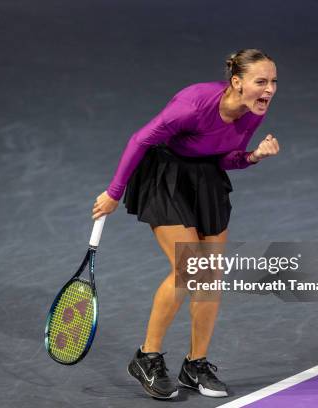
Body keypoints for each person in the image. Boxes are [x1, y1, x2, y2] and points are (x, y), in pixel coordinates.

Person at [91, 48, 280, 399]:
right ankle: (146, 357)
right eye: (261, 82)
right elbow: (140, 139)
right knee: (191, 268)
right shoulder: (193, 104)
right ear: (236, 82)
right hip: (165, 174)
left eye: (273, 82)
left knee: (211, 274)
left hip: (205, 177)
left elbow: (225, 156)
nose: (268, 90)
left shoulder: (254, 110)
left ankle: (195, 365)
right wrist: (114, 193)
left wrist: (253, 157)